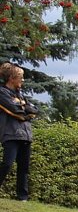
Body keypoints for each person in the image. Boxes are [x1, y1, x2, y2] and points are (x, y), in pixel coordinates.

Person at [0, 63, 38, 201]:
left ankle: (22, 197)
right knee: (7, 164)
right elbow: (14, 109)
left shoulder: (21, 95)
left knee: (24, 167)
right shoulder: (2, 92)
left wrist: (23, 106)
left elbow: (34, 110)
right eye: (20, 77)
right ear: (11, 78)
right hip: (10, 134)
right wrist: (24, 109)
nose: (23, 80)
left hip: (25, 134)